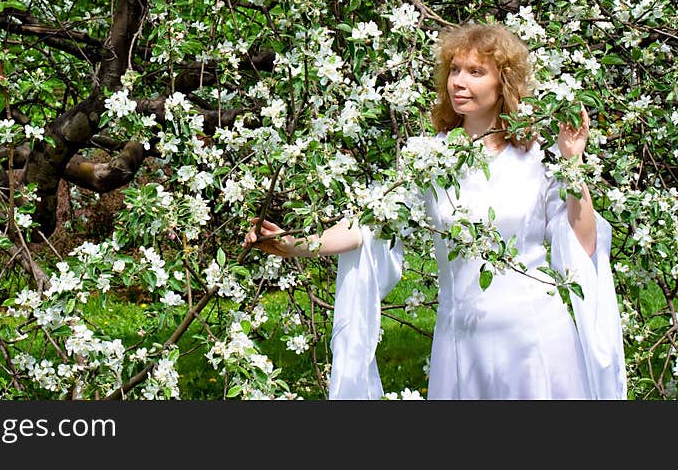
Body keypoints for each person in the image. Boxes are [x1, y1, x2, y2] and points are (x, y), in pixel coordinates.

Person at [244, 23, 626, 400]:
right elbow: (369, 225)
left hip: (535, 339)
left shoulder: (537, 157)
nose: (459, 81)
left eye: (476, 72)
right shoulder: (431, 159)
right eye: (455, 70)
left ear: (503, 83)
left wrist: (572, 162)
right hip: (462, 338)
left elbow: (584, 243)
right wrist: (296, 245)